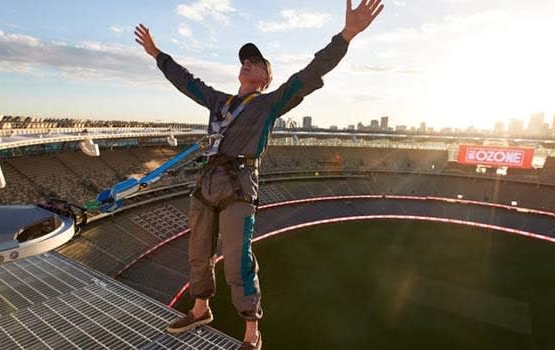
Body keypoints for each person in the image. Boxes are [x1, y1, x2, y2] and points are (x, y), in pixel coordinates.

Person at [135, 1, 383, 348]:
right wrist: (157, 54)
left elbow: (310, 74)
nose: (246, 62)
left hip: (238, 185)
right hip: (207, 183)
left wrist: (346, 36)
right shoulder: (218, 101)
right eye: (244, 60)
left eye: (254, 61)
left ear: (265, 78)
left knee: (238, 261)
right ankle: (200, 308)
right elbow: (185, 81)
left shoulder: (270, 104)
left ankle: (251, 333)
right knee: (197, 252)